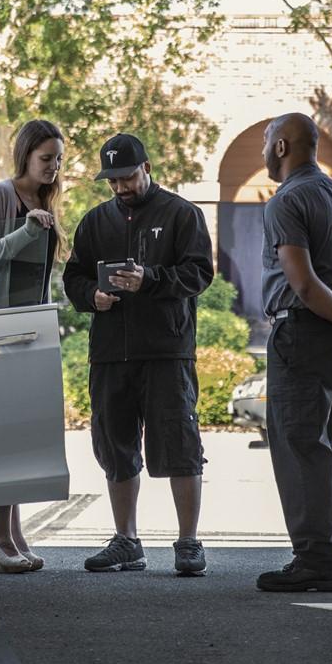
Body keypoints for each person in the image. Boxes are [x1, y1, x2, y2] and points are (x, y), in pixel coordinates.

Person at [62, 133, 214, 576]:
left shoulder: (182, 214)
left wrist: (149, 278)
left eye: (127, 177)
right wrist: (93, 295)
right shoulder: (93, 223)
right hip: (110, 353)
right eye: (111, 180)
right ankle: (126, 541)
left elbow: (199, 272)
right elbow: (74, 278)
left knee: (180, 444)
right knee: (115, 445)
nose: (120, 187)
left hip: (168, 351)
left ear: (147, 168)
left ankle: (189, 542)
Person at [256, 112, 332, 592]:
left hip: (303, 335)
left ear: (283, 147)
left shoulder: (286, 200)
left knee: (301, 446)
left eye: (267, 141)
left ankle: (316, 560)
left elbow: (303, 284)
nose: (263, 150)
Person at [0, 119, 67, 573]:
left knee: (22, 436)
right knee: (4, 437)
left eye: (59, 160)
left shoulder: (46, 200)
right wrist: (28, 229)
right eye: (46, 158)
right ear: (25, 155)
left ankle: (11, 531)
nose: (53, 167)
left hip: (29, 331)